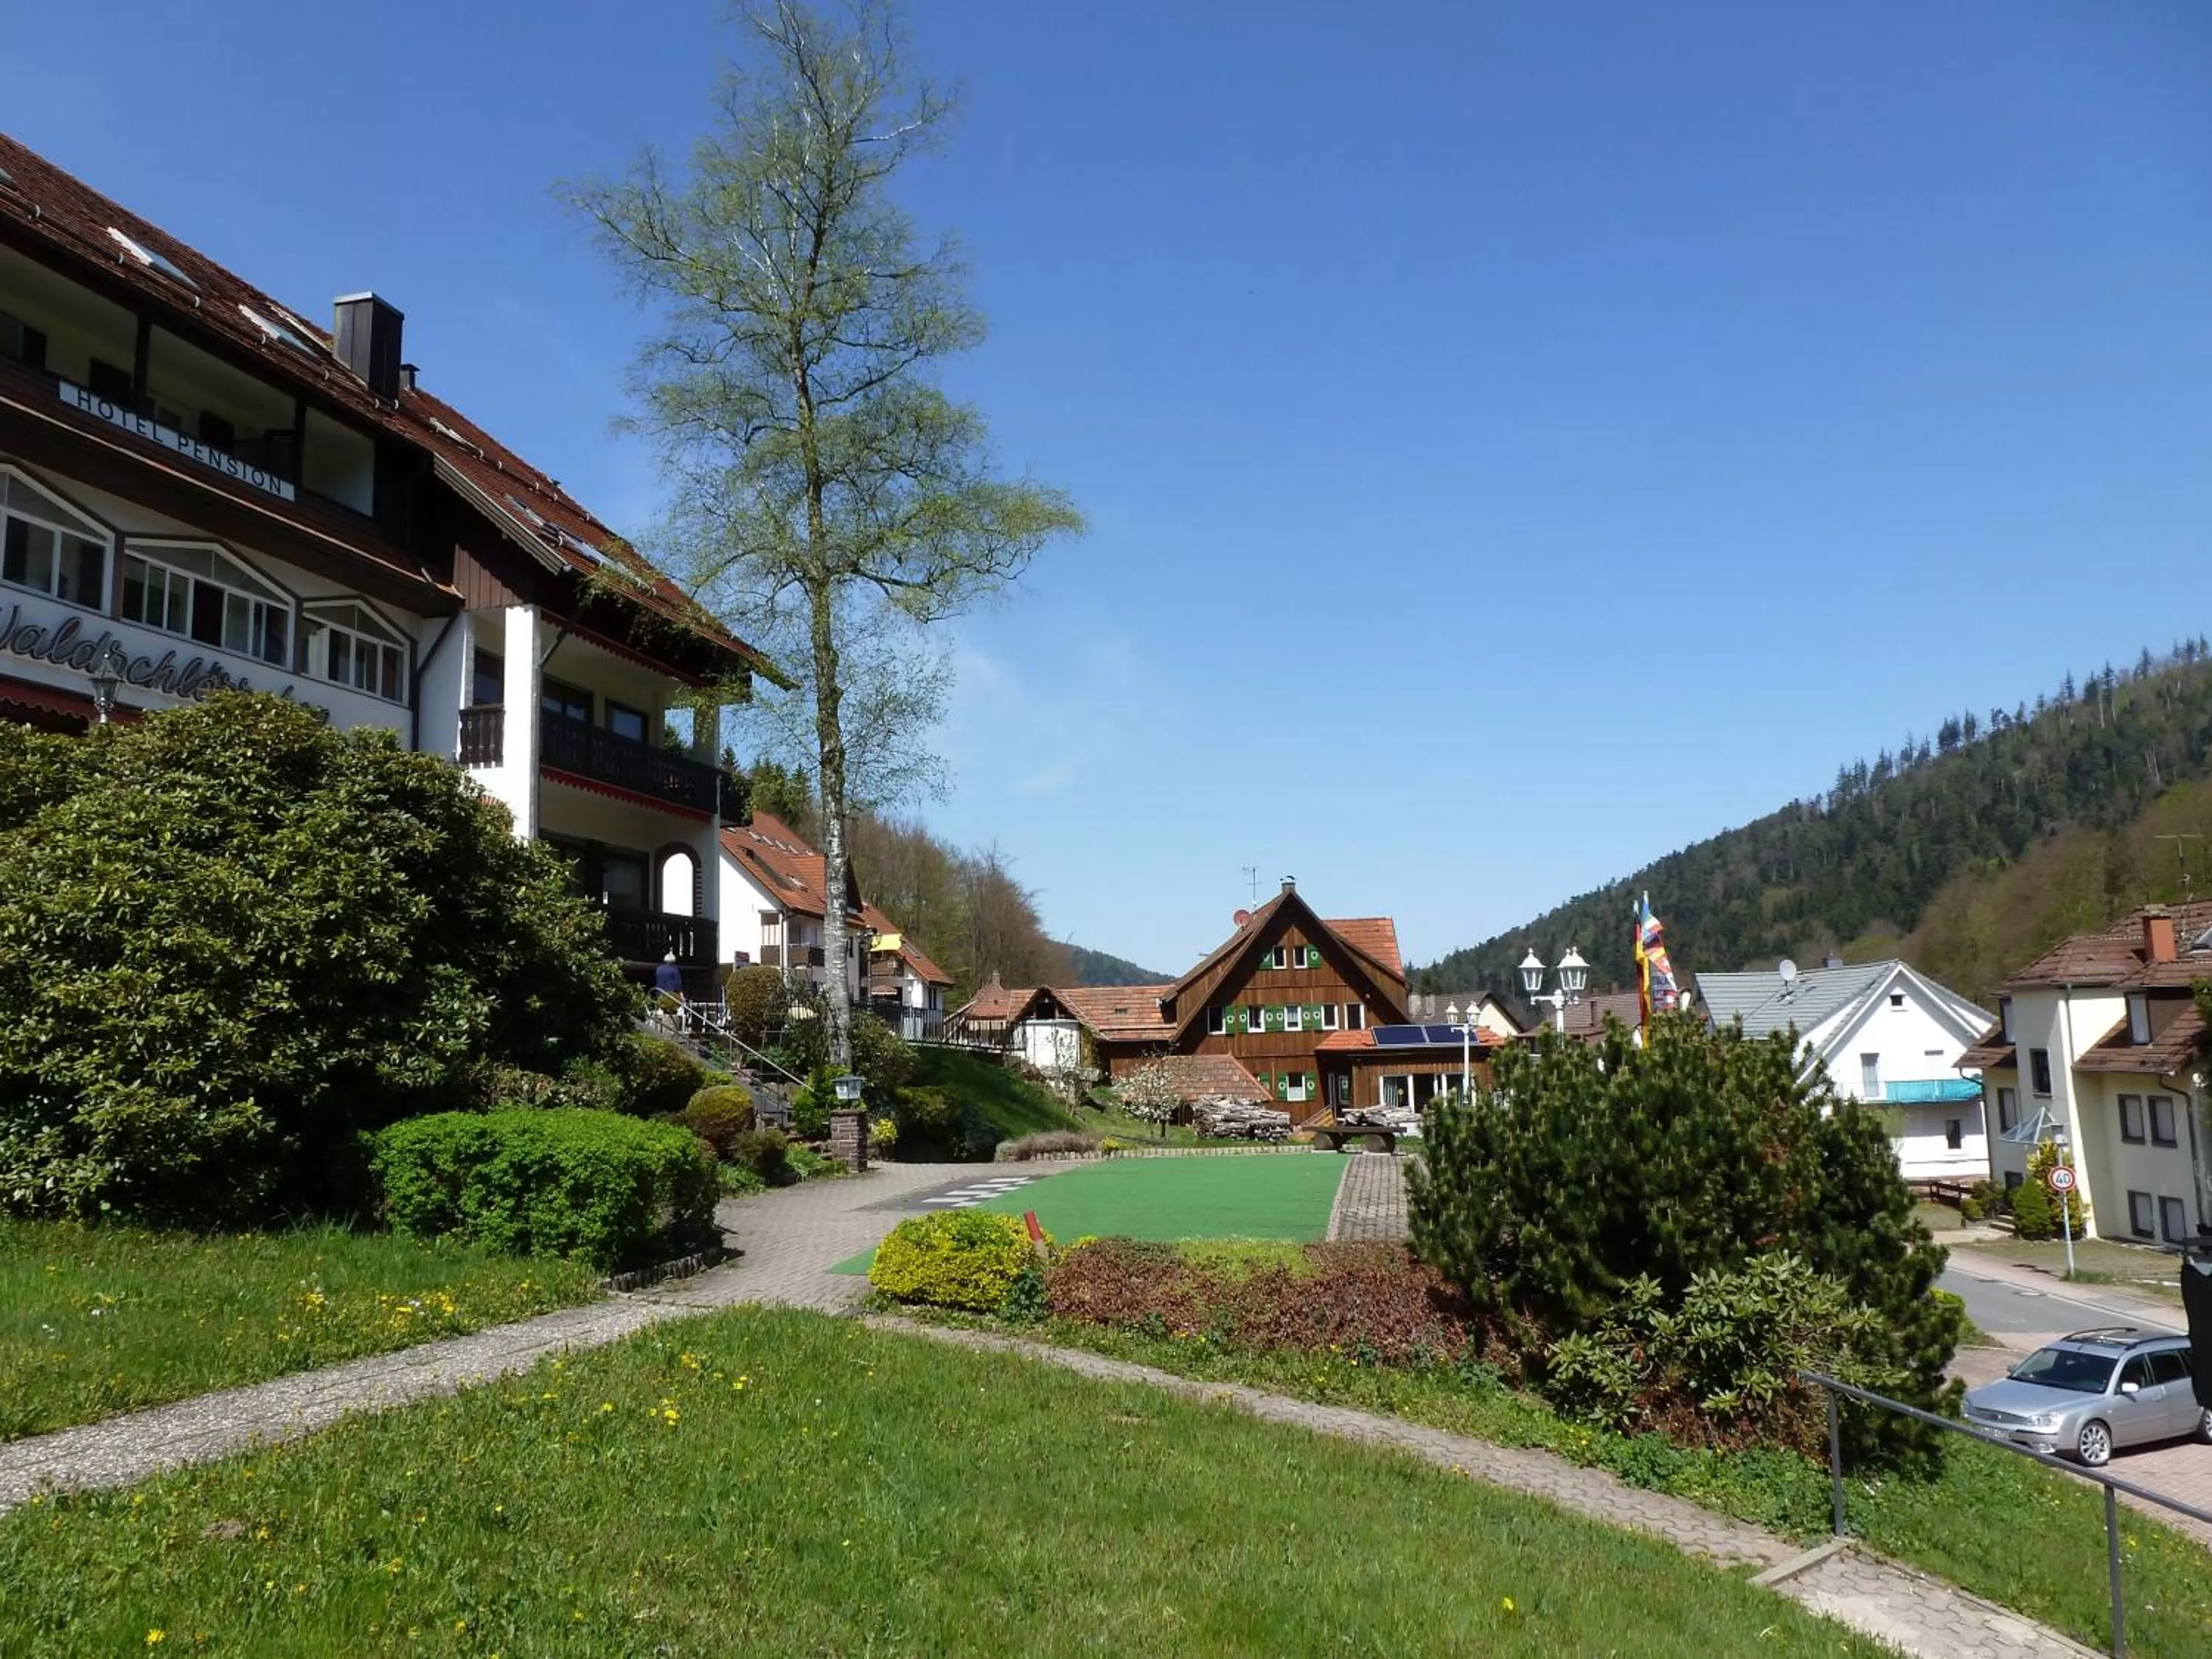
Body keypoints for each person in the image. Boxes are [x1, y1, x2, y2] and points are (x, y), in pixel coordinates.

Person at [653, 951, 684, 1031]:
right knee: (673, 1011)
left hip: (660, 993)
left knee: (660, 1010)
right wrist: (681, 995)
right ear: (673, 960)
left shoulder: (658, 969)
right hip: (671, 994)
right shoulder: (675, 970)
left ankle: (659, 1029)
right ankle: (673, 1030)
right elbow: (678, 984)